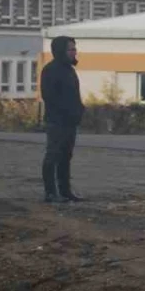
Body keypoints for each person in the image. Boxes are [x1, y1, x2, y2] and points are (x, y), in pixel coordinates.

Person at [41, 35, 84, 203]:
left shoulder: (69, 70)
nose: (74, 52)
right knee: (53, 155)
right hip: (57, 121)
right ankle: (51, 193)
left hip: (70, 122)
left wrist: (79, 110)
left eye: (74, 48)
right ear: (61, 51)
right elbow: (50, 97)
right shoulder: (51, 70)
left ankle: (65, 191)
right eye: (71, 49)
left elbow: (74, 95)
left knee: (66, 156)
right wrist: (66, 112)